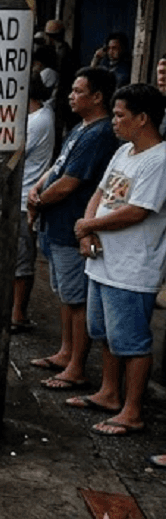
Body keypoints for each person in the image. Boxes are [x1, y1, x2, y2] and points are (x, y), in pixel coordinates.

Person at [67, 83, 166, 437]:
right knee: (105, 332)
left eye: (121, 115)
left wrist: (89, 226)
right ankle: (109, 393)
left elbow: (138, 211)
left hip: (132, 266)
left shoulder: (160, 160)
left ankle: (132, 411)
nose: (114, 121)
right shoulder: (124, 151)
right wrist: (87, 230)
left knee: (132, 341)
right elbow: (100, 193)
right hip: (102, 260)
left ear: (143, 119)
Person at [28, 67, 119, 389]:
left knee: (77, 299)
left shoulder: (100, 134)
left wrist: (39, 202)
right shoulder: (81, 128)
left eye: (79, 91)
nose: (71, 96)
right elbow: (58, 166)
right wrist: (37, 188)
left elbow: (69, 183)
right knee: (65, 295)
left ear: (98, 97)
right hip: (55, 224)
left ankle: (77, 365)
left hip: (70, 226)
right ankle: (66, 352)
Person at [11, 74, 56, 330]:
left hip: (24, 198)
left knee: (22, 258)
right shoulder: (37, 117)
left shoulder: (38, 120)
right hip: (20, 196)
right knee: (17, 256)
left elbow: (14, 150)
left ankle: (18, 314)